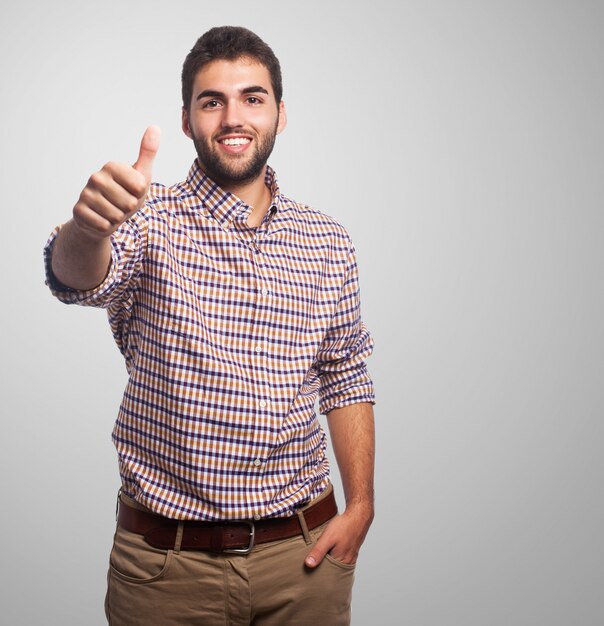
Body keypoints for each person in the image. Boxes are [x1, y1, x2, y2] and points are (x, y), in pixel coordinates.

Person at [44, 26, 375, 626]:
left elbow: (345, 373)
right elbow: (80, 277)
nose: (233, 117)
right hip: (166, 572)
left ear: (279, 112)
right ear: (187, 117)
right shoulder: (147, 219)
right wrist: (88, 231)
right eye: (211, 101)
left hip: (303, 561)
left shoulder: (328, 240)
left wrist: (362, 505)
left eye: (253, 97)